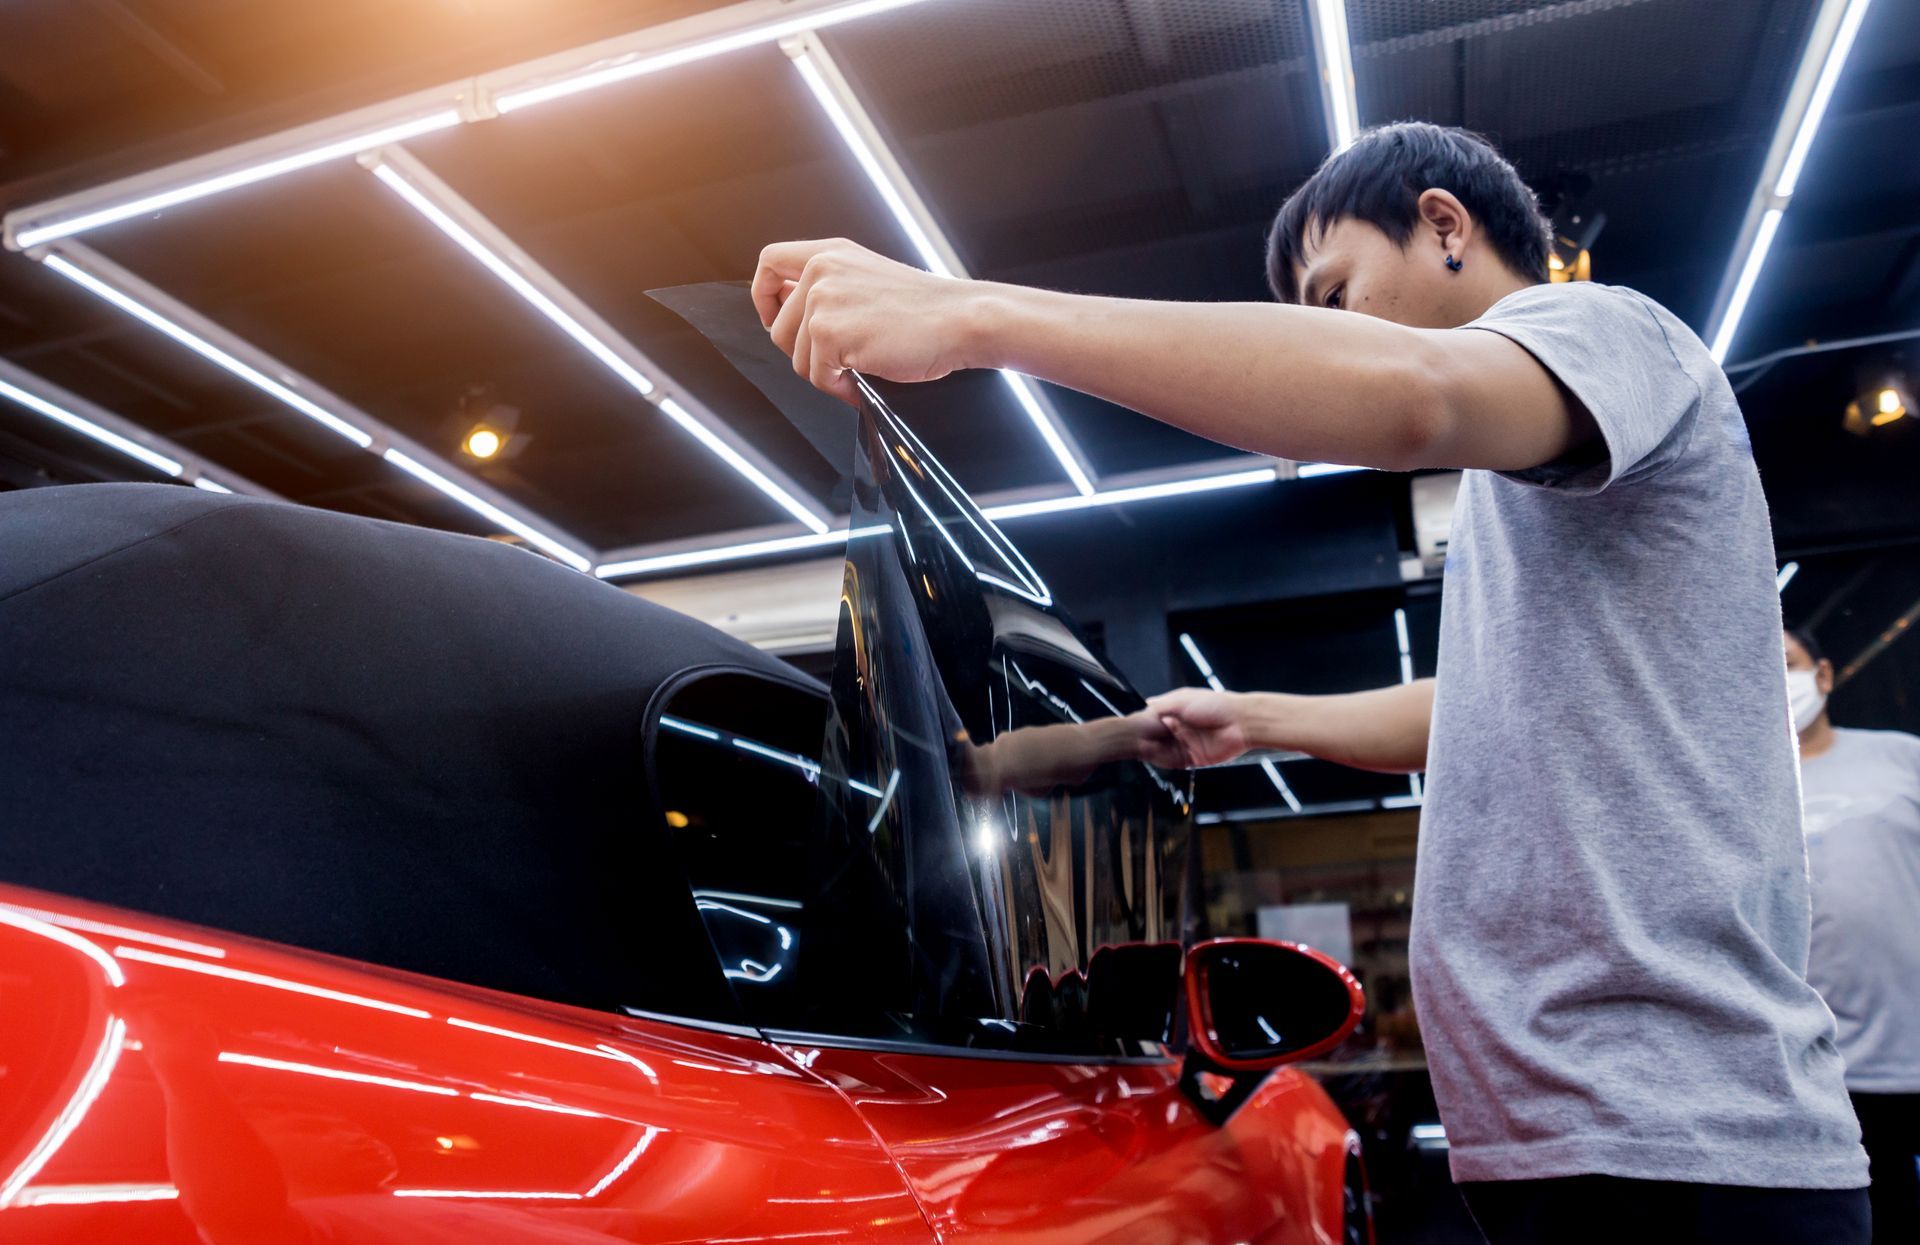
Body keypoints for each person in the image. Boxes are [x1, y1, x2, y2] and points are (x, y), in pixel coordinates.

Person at [753, 122, 1869, 1242]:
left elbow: (1412, 396)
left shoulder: (1604, 328)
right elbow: (1482, 706)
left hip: (1680, 1144)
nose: (1325, 332)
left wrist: (973, 314)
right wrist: (1256, 719)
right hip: (1604, 1135)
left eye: (1334, 294)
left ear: (1442, 225)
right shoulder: (1520, 482)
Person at [1788, 626, 1920, 1243]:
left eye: (1786, 662)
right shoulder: (1737, 786)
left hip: (1911, 1038)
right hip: (1824, 1070)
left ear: (1823, 674)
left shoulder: (1898, 756)